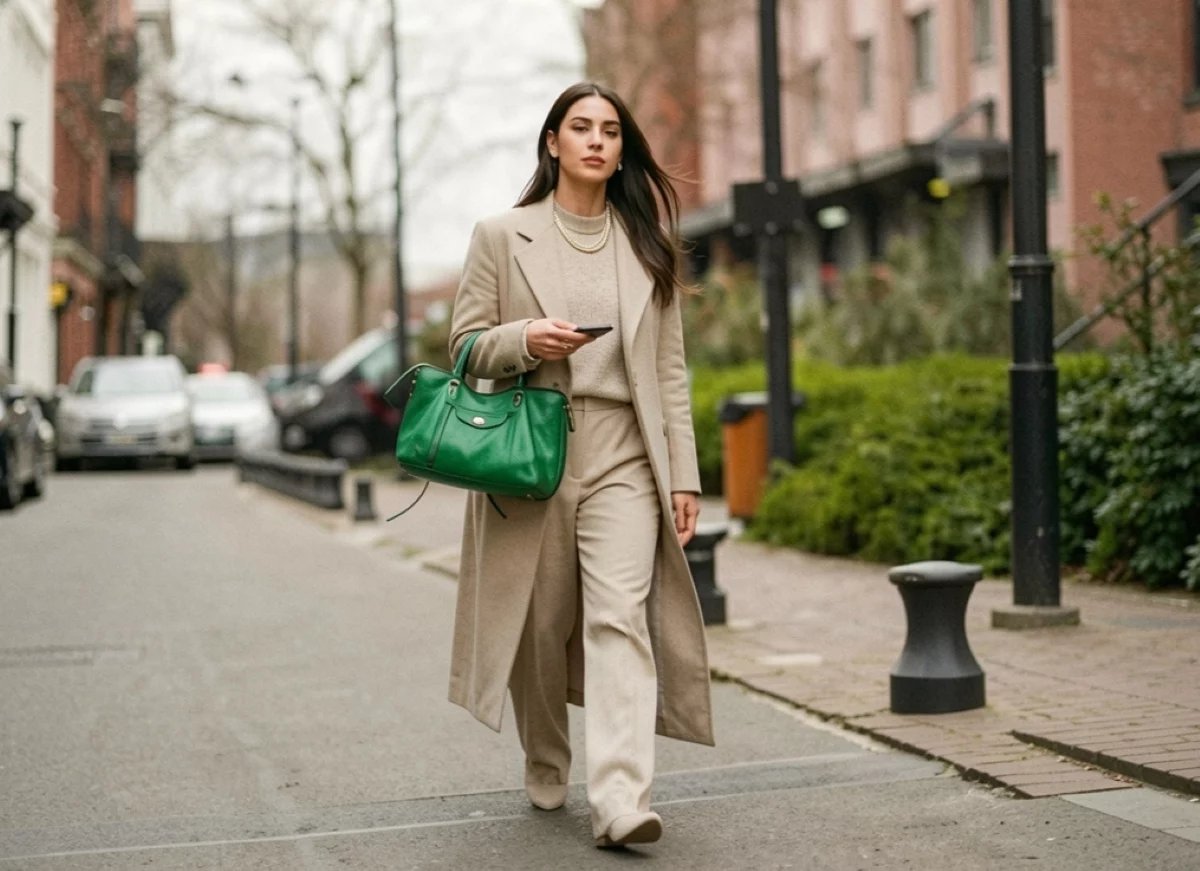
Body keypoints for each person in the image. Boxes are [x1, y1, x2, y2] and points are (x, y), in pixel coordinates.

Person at [446, 81, 714, 849]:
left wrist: (685, 474)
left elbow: (670, 370)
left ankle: (621, 797)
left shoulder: (646, 245)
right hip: (534, 449)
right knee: (541, 621)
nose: (597, 140)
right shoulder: (503, 235)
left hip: (627, 455)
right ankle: (545, 749)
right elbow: (464, 348)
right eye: (581, 127)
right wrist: (526, 338)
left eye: (611, 130)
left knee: (619, 616)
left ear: (622, 149)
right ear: (553, 143)